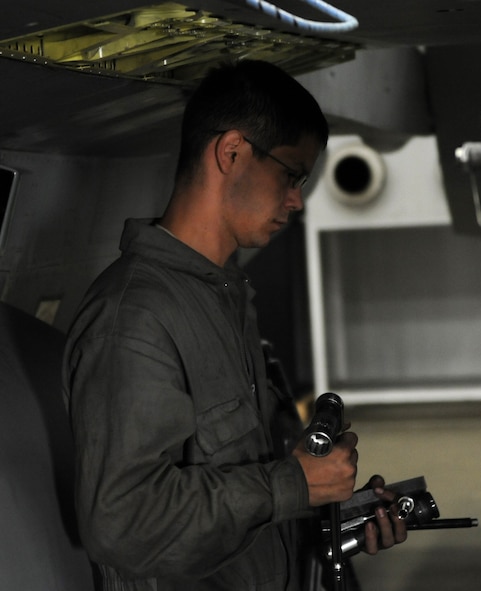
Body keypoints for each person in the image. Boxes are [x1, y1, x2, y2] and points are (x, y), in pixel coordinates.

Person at [62, 59, 407, 590]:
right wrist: (293, 485)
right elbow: (122, 523)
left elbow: (241, 492)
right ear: (231, 152)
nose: (296, 201)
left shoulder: (222, 295)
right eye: (291, 175)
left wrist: (332, 512)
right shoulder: (133, 318)